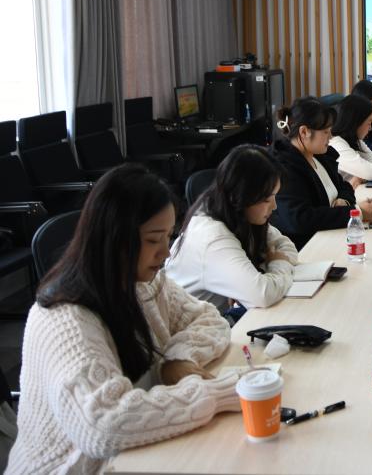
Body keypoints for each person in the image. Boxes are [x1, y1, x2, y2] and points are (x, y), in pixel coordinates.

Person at [8, 165, 240, 474]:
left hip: (134, 455)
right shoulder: (64, 318)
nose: (165, 252)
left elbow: (209, 319)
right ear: (115, 239)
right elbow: (103, 424)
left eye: (169, 236)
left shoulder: (142, 282)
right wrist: (218, 394)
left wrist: (177, 359)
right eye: (153, 240)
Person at [165, 145, 298, 317]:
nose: (274, 206)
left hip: (217, 320)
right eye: (267, 199)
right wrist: (279, 263)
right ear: (241, 196)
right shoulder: (212, 236)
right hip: (189, 327)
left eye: (274, 196)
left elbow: (287, 247)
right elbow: (262, 295)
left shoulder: (237, 213)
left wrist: (260, 274)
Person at [271, 97, 372, 249]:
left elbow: (345, 187)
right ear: (304, 132)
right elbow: (300, 219)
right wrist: (356, 212)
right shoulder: (284, 167)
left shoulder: (319, 155)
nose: (331, 136)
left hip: (332, 237)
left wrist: (343, 201)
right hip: (307, 249)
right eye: (326, 131)